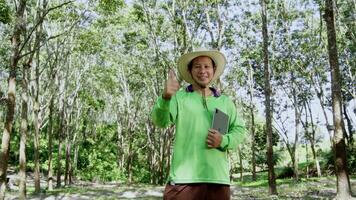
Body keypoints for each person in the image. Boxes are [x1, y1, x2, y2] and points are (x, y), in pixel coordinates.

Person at [151, 49, 246, 200]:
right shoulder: (179, 97)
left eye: (207, 66)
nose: (203, 71)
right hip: (183, 181)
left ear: (213, 70)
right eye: (197, 66)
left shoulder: (225, 102)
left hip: (217, 181)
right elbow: (160, 121)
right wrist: (166, 97)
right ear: (190, 71)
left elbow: (239, 130)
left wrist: (223, 140)